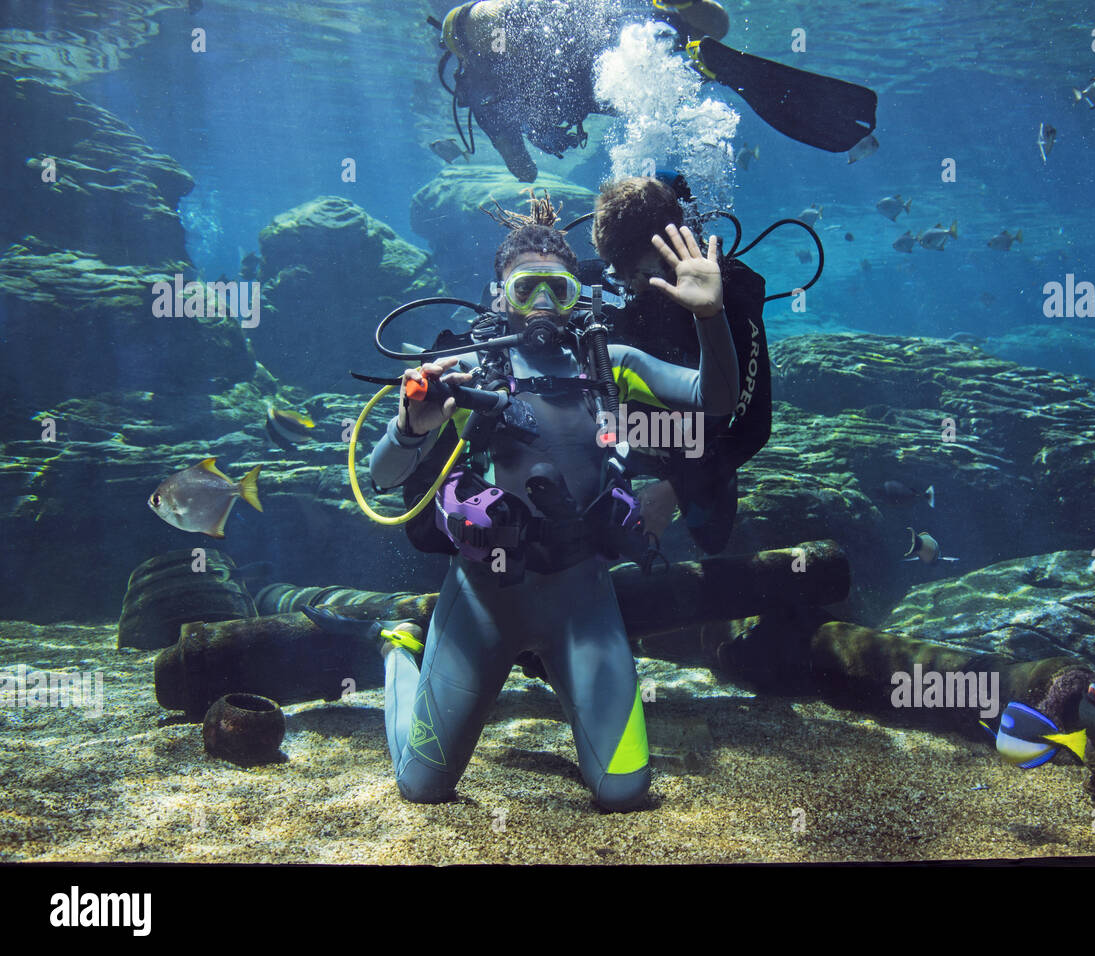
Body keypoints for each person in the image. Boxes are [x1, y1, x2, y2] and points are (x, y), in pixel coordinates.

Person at [367, 201, 738, 810]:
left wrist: (710, 316)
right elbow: (382, 479)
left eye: (558, 288)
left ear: (578, 295)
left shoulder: (610, 365)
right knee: (422, 786)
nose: (542, 302)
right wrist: (411, 424)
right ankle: (398, 650)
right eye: (526, 286)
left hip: (583, 598)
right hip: (481, 602)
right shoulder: (462, 373)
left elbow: (715, 398)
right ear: (499, 295)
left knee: (624, 791)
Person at [433, 0, 875, 181]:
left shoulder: (481, 85)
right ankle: (674, 24)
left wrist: (519, 146)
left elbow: (523, 170)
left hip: (594, 77)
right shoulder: (523, 27)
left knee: (646, 82)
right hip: (603, 35)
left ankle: (689, 59)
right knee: (678, 32)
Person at [585, 174, 771, 553]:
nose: (632, 287)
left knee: (712, 539)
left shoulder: (730, 295)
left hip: (698, 445)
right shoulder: (596, 286)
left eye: (643, 274)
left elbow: (753, 429)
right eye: (617, 272)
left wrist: (674, 489)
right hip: (620, 436)